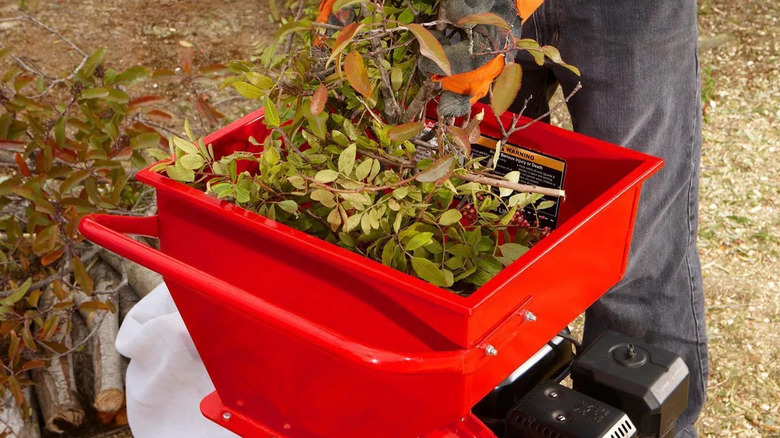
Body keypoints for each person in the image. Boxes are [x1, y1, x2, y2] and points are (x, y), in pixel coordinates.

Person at [509, 1, 708, 436]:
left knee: (638, 250)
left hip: (624, 11)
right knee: (496, 229)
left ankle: (653, 427)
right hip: (480, 9)